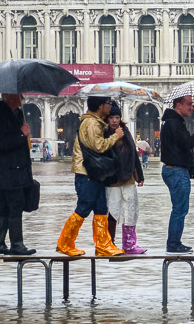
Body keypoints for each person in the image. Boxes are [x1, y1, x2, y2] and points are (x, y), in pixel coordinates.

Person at [56, 96, 125, 257]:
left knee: (101, 209)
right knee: (83, 208)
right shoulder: (91, 123)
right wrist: (116, 136)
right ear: (100, 106)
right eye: (108, 104)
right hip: (86, 173)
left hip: (95, 174)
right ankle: (65, 243)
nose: (110, 107)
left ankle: (103, 244)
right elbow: (99, 146)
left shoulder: (97, 122)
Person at [0, 94, 36, 255]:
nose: (22, 97)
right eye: (19, 94)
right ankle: (17, 244)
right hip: (7, 171)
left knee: (5, 206)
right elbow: (1, 144)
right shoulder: (0, 116)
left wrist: (24, 135)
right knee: (16, 205)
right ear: (10, 97)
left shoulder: (17, 113)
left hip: (17, 169)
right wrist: (21, 134)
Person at [161, 95, 194, 254]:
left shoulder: (172, 122)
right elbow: (188, 143)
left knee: (179, 208)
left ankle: (174, 242)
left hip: (174, 170)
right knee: (180, 209)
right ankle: (173, 244)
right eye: (189, 104)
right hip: (176, 170)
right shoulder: (174, 123)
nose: (192, 107)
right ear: (178, 105)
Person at [104, 102, 147, 254]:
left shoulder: (126, 131)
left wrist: (139, 175)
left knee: (131, 209)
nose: (114, 121)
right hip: (112, 180)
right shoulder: (104, 133)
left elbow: (134, 155)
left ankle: (129, 244)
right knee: (113, 211)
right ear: (107, 119)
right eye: (111, 117)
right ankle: (110, 243)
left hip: (128, 177)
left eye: (117, 117)